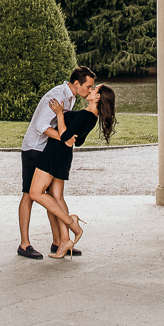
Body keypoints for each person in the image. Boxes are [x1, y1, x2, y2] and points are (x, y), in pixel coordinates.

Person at [28, 83, 117, 258]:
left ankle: (72, 222)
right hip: (63, 156)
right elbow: (78, 141)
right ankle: (65, 241)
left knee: (35, 193)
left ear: (98, 97)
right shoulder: (91, 117)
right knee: (57, 197)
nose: (90, 90)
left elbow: (65, 137)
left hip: (54, 154)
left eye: (94, 89)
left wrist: (60, 114)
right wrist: (69, 128)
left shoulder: (86, 115)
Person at [18, 67, 96, 258]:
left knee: (53, 196)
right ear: (76, 83)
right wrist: (65, 139)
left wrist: (65, 137)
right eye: (88, 86)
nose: (89, 90)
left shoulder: (72, 96)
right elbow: (41, 126)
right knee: (29, 195)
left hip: (49, 150)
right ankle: (24, 244)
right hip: (34, 148)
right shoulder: (57, 96)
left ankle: (59, 241)